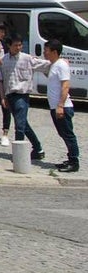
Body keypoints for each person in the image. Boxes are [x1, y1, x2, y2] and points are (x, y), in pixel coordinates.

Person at [0, 35, 45, 162]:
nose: (18, 48)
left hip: (22, 95)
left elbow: (44, 64)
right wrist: (2, 97)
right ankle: (38, 148)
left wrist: (59, 61)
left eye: (20, 45)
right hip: (9, 95)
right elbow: (0, 81)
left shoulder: (27, 58)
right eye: (15, 45)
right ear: (9, 46)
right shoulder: (3, 60)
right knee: (23, 124)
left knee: (19, 126)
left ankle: (19, 155)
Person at [42, 39, 79, 173]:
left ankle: (74, 162)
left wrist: (60, 106)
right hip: (55, 106)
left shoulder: (61, 65)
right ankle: (70, 158)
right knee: (63, 133)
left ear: (54, 52)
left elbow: (65, 86)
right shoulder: (55, 64)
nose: (44, 53)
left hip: (63, 106)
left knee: (68, 134)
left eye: (46, 50)